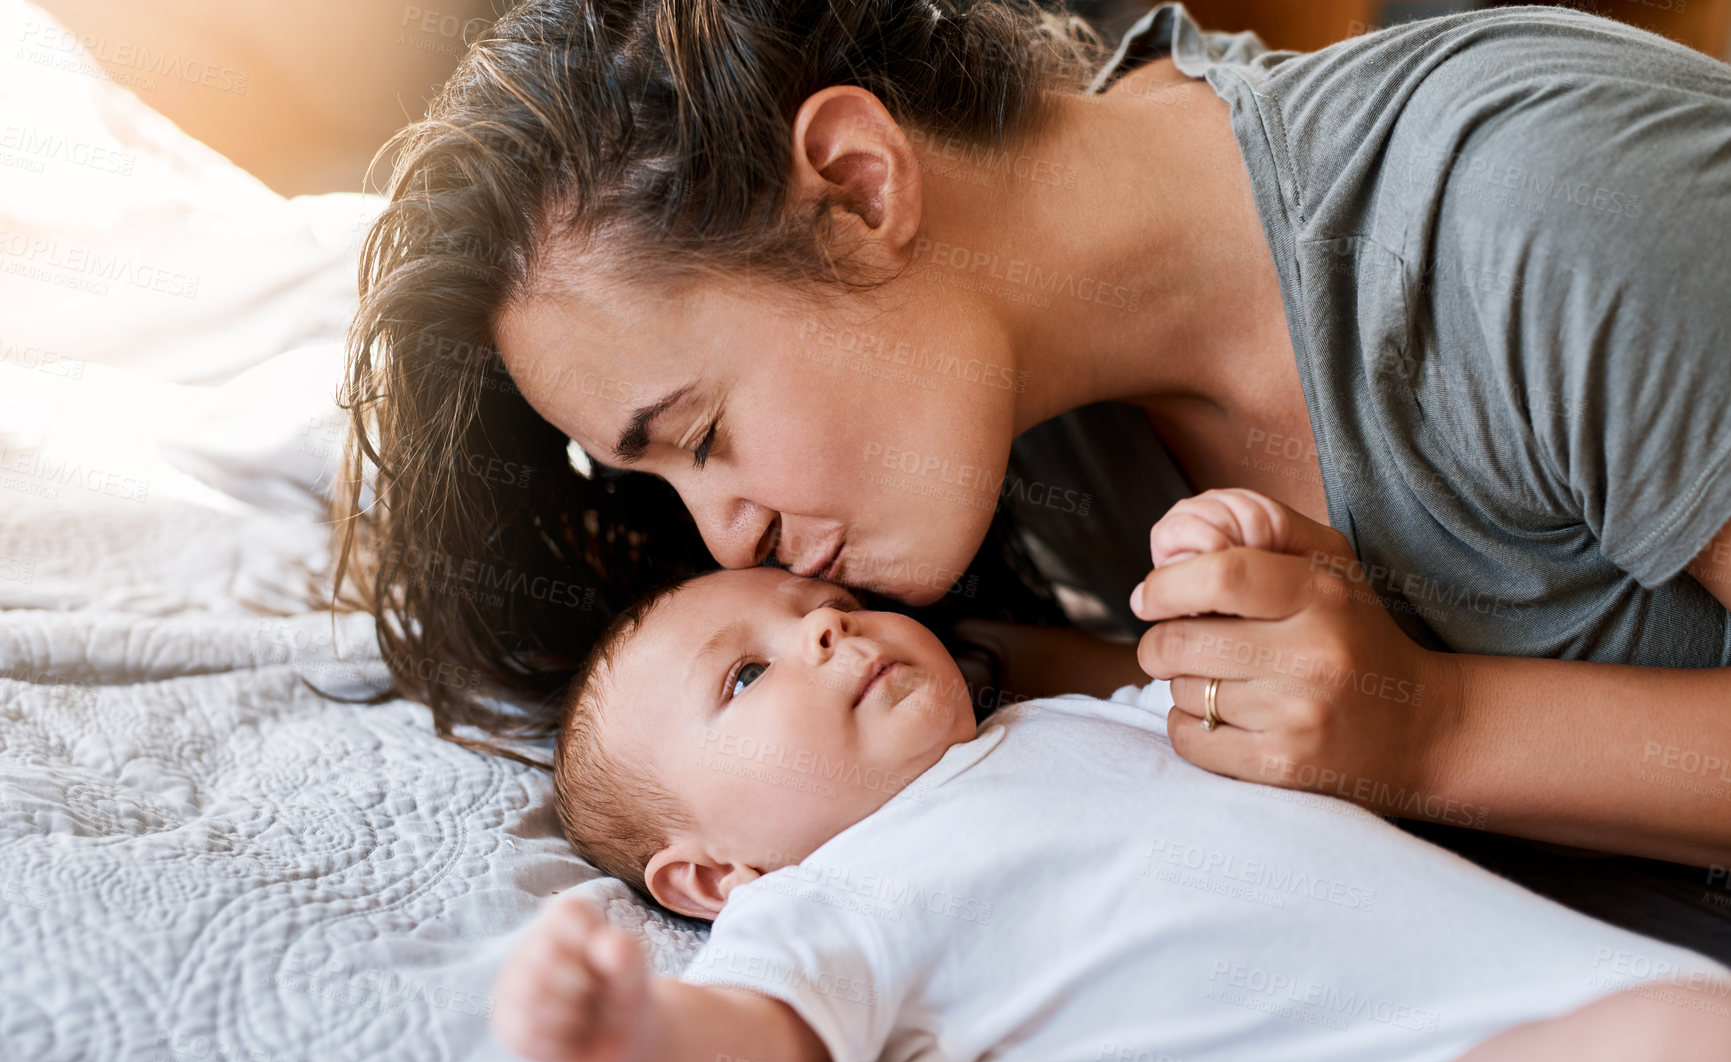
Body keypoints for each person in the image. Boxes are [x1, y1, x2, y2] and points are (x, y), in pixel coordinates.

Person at [335, 1, 1731, 923]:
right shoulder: (1022, 445)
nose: (726, 540)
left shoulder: (1530, 216)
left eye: (701, 436)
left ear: (860, 187)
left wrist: (1428, 727)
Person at [489, 562, 1731, 1062]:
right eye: (748, 673)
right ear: (711, 877)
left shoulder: (1064, 721)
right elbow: (747, 1053)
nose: (822, 627)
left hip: (1605, 997)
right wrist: (629, 1044)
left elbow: (1276, 709)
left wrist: (1243, 565)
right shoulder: (833, 901)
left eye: (824, 604)